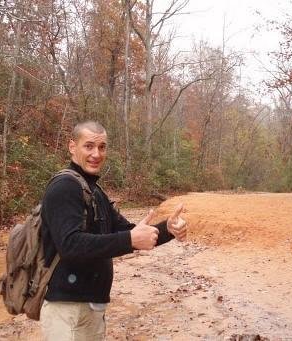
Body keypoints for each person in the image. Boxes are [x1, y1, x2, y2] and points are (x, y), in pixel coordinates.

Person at [40, 121, 187, 341]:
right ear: (72, 147)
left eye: (102, 147)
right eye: (88, 146)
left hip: (90, 307)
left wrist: (167, 229)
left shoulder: (95, 191)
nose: (96, 154)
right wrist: (129, 239)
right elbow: (70, 244)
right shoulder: (64, 188)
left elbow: (130, 232)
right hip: (67, 309)